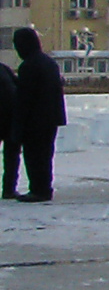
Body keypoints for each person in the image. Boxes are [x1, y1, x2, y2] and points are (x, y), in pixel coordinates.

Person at [12, 28, 66, 204]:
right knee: (45, 155)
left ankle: (38, 190)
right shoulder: (49, 63)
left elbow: (24, 98)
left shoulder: (28, 66)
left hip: (35, 120)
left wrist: (18, 124)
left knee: (34, 156)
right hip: (51, 118)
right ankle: (44, 188)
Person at [0, 52, 17, 199]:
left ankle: (9, 188)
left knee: (11, 156)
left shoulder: (4, 69)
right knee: (11, 157)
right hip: (10, 120)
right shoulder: (4, 69)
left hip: (9, 120)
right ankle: (9, 188)